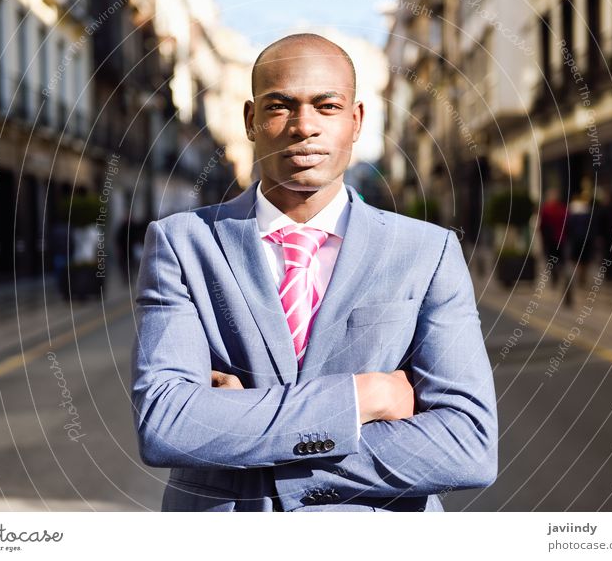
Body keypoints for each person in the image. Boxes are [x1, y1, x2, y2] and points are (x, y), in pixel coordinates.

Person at [130, 33, 498, 512]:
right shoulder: (181, 244)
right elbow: (167, 426)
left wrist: (240, 427)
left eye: (327, 106)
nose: (304, 126)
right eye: (280, 106)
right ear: (250, 120)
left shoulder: (427, 252)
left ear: (355, 120)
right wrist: (363, 398)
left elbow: (468, 446)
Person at [538, 187, 567, 286]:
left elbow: (542, 225)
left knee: (551, 258)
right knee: (560, 259)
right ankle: (560, 274)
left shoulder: (546, 209)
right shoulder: (562, 208)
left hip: (551, 239)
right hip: (560, 238)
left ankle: (555, 276)